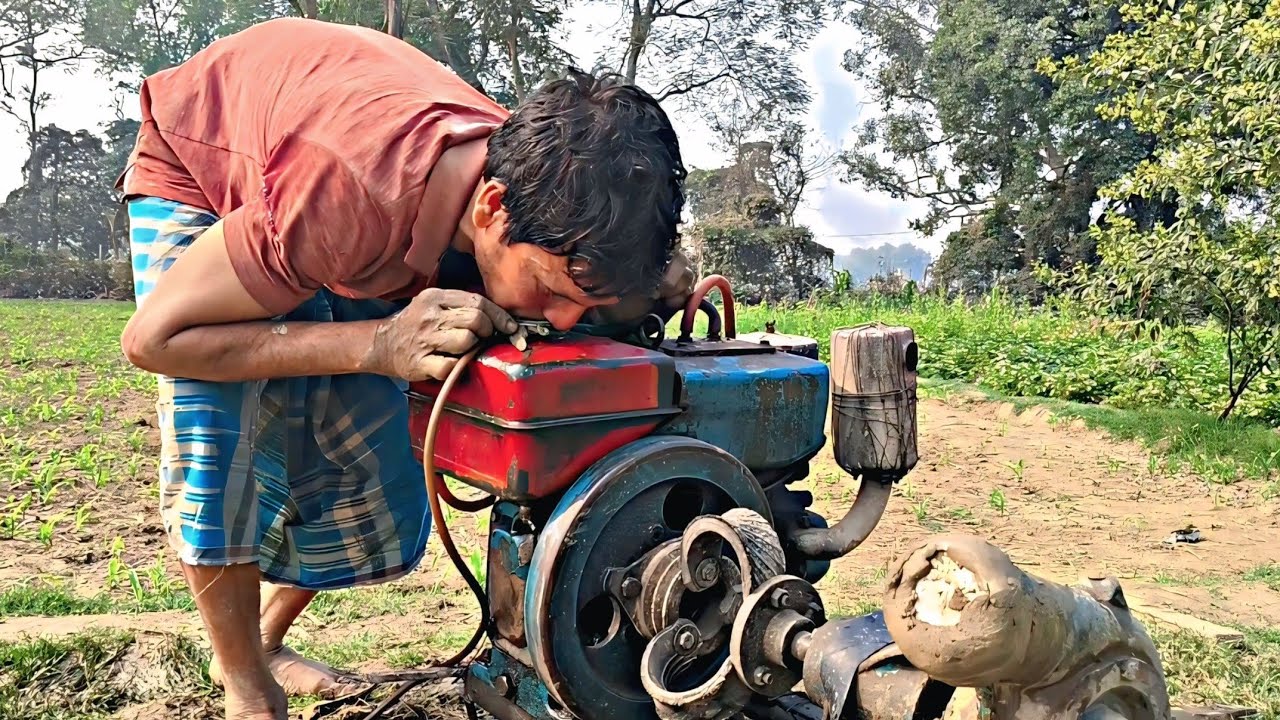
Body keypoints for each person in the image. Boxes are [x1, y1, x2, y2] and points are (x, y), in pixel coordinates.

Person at [115, 16, 694, 720]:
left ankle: (264, 641)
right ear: (491, 211)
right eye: (551, 291)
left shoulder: (560, 189)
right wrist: (378, 343)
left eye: (586, 301)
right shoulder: (348, 192)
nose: (562, 319)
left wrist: (638, 288)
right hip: (201, 161)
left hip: (317, 181)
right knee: (214, 428)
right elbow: (155, 339)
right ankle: (246, 685)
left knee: (372, 453)